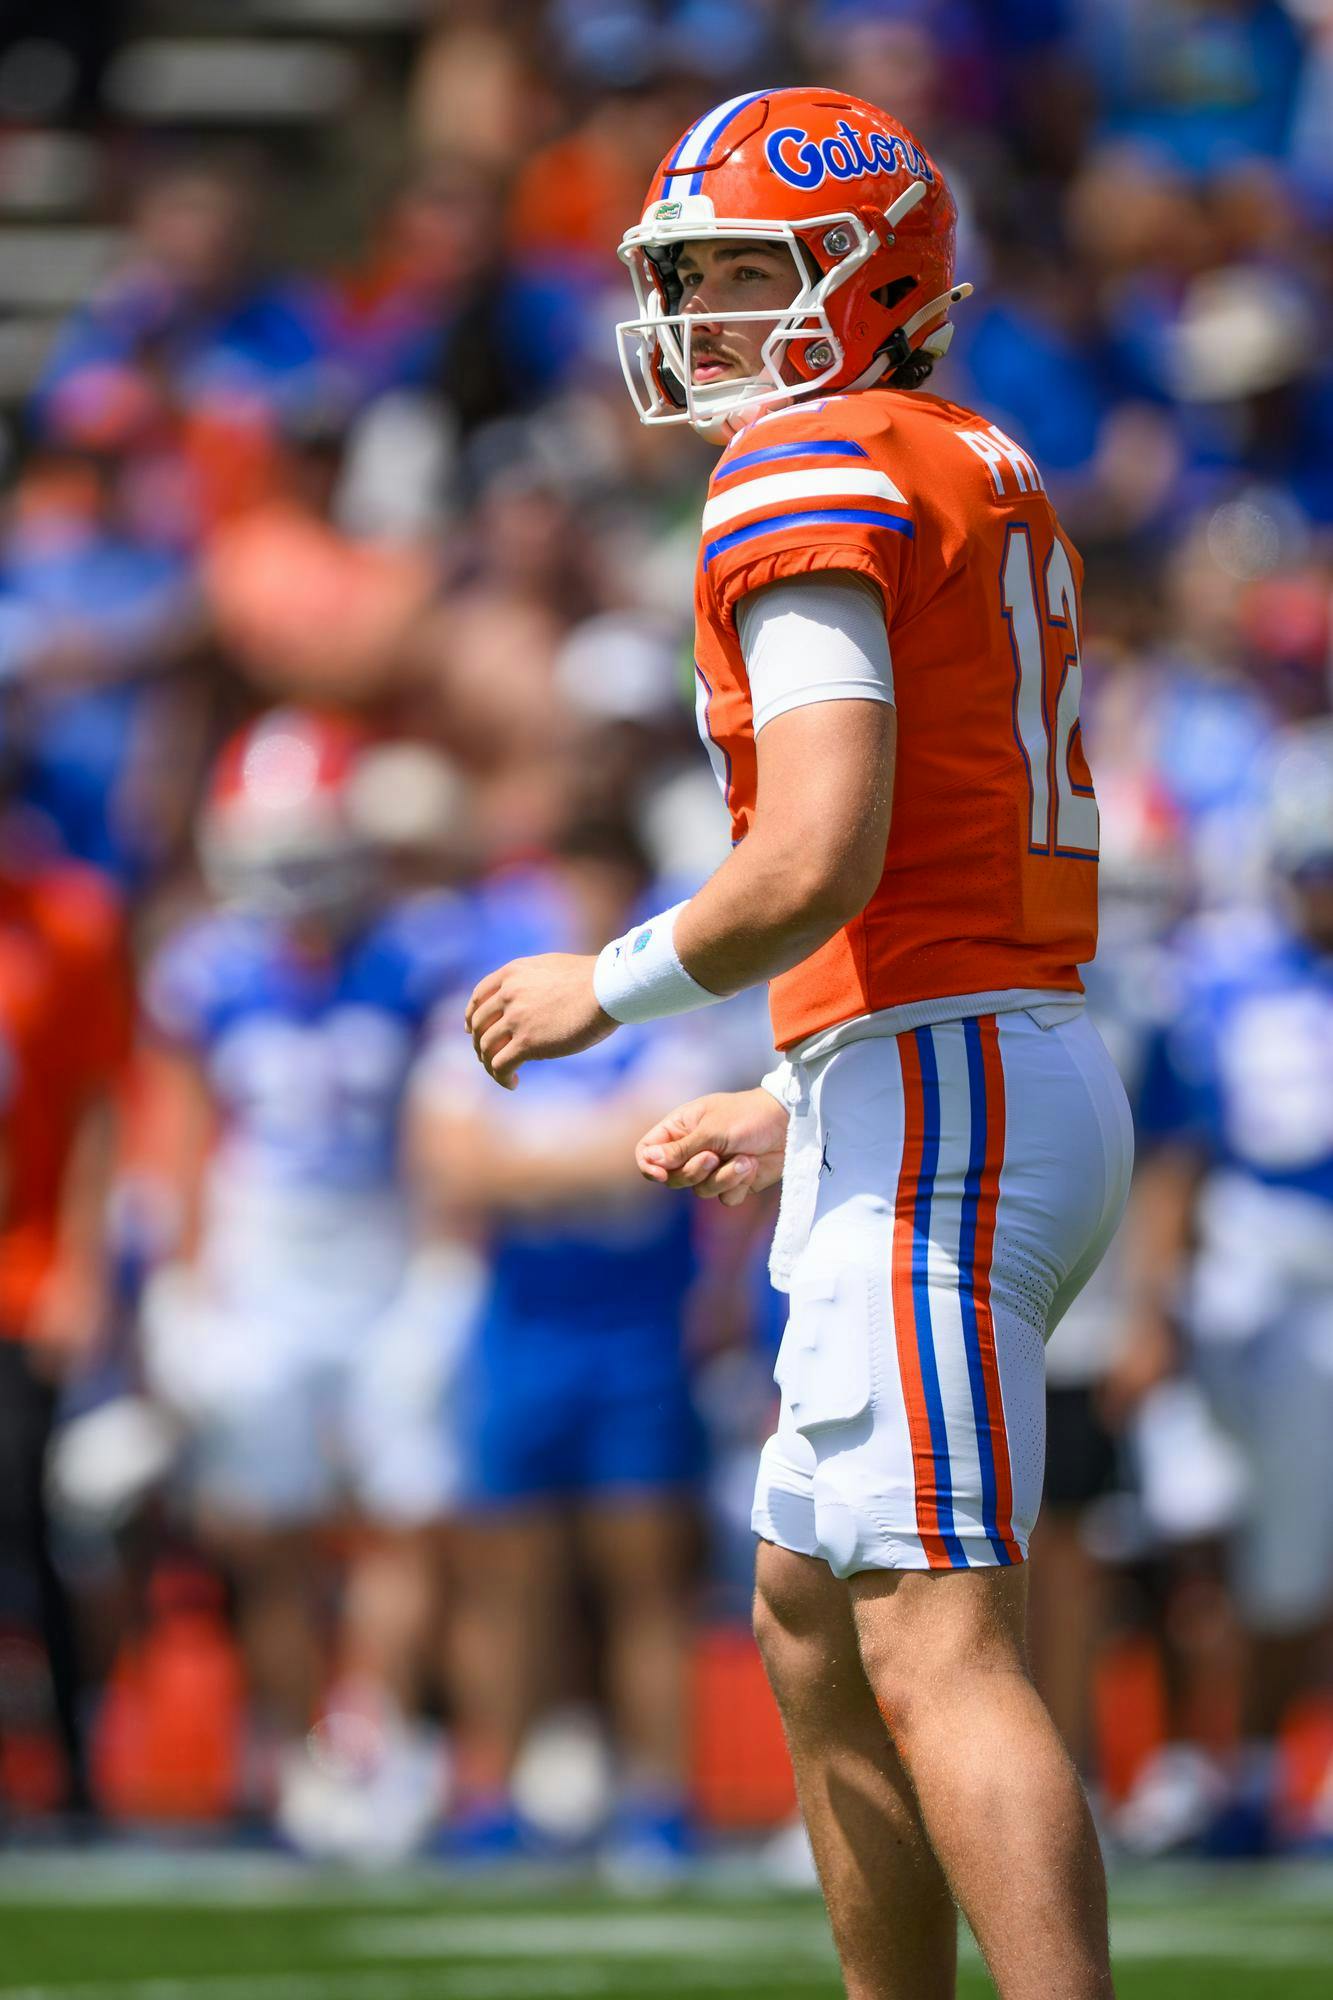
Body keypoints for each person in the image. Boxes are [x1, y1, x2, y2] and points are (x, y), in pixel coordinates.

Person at [465, 88, 1131, 2000]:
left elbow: (815, 850)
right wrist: (796, 1083)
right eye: (693, 277)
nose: (708, 317)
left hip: (943, 1095)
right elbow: (922, 852)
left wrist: (611, 982)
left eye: (754, 271)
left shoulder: (813, 468)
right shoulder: (961, 455)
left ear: (878, 277)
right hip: (950, 1067)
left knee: (928, 1635)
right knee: (811, 1622)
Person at [138, 707, 481, 1854]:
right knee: (269, 1531)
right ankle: (299, 1760)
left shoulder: (419, 952)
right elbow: (183, 1131)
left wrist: (446, 1267)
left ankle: (373, 1734)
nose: (288, 878)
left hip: (383, 1250)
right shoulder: (204, 963)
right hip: (263, 1258)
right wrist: (181, 1287)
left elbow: (450, 1120)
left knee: (406, 1521)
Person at [1112, 718, 1333, 1854]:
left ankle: (1252, 1764)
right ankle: (1198, 1759)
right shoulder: (1219, 973)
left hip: (1310, 1284)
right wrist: (1157, 1302)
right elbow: (1178, 1150)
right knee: (1191, 1527)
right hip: (1237, 1269)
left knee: (1296, 1550)